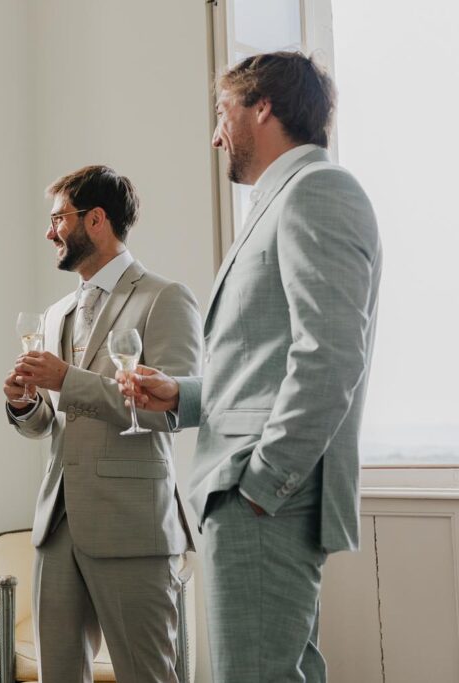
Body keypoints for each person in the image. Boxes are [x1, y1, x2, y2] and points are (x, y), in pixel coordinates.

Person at [119, 52, 382, 682]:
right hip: (254, 493)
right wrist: (180, 396)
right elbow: (265, 371)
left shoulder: (319, 190)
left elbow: (330, 355)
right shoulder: (284, 198)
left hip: (263, 495)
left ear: (262, 107)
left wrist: (265, 484)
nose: (215, 135)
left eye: (221, 112)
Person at [3, 165, 202, 682]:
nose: (49, 232)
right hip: (57, 525)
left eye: (58, 219)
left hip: (131, 524)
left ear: (95, 220)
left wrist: (67, 379)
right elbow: (56, 424)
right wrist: (27, 406)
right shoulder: (55, 313)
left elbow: (167, 411)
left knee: (147, 675)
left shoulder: (164, 298)